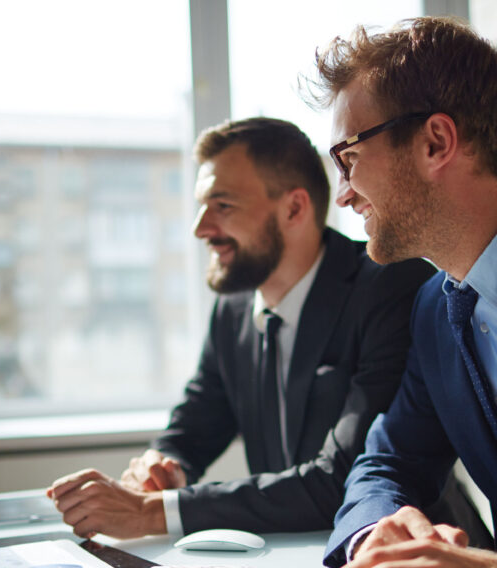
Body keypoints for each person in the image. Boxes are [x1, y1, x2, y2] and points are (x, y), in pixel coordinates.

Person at [48, 115, 444, 541]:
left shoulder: (390, 287)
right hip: (279, 557)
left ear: (294, 208)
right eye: (202, 206)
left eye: (223, 206)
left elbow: (343, 479)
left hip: (405, 558)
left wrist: (152, 513)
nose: (201, 229)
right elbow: (197, 421)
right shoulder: (233, 309)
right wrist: (163, 464)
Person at [309, 16, 497, 568]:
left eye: (350, 157)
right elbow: (387, 463)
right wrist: (377, 533)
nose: (343, 195)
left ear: (436, 142)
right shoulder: (438, 311)